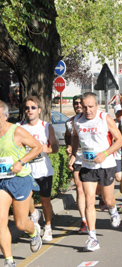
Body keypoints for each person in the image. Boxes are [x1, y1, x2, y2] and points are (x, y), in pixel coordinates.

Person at [68, 92, 122, 251]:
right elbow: (75, 137)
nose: (87, 110)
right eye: (84, 107)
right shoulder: (77, 121)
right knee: (89, 199)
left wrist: (105, 154)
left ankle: (113, 210)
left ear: (97, 106)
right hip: (87, 165)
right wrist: (73, 154)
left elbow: (119, 141)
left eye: (90, 107)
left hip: (106, 165)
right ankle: (92, 238)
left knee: (107, 199)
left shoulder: (105, 118)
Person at [0, 100, 43, 267]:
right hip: (2, 180)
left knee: (20, 223)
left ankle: (33, 232)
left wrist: (21, 162)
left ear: (5, 115)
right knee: (1, 220)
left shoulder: (16, 131)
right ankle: (9, 260)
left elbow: (37, 147)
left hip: (20, 180)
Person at [19, 95, 59, 242]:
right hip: (26, 169)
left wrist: (45, 149)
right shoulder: (19, 127)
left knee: (45, 200)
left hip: (43, 169)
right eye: (27, 108)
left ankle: (48, 227)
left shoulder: (46, 127)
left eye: (33, 108)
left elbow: (55, 147)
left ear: (39, 110)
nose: (30, 110)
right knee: (27, 197)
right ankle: (34, 214)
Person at [65, 95, 88, 234]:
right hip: (79, 158)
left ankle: (105, 200)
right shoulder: (69, 122)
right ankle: (84, 220)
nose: (78, 105)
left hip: (94, 159)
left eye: (80, 103)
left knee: (95, 191)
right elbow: (68, 135)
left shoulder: (93, 121)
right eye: (75, 103)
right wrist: (69, 146)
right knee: (79, 189)